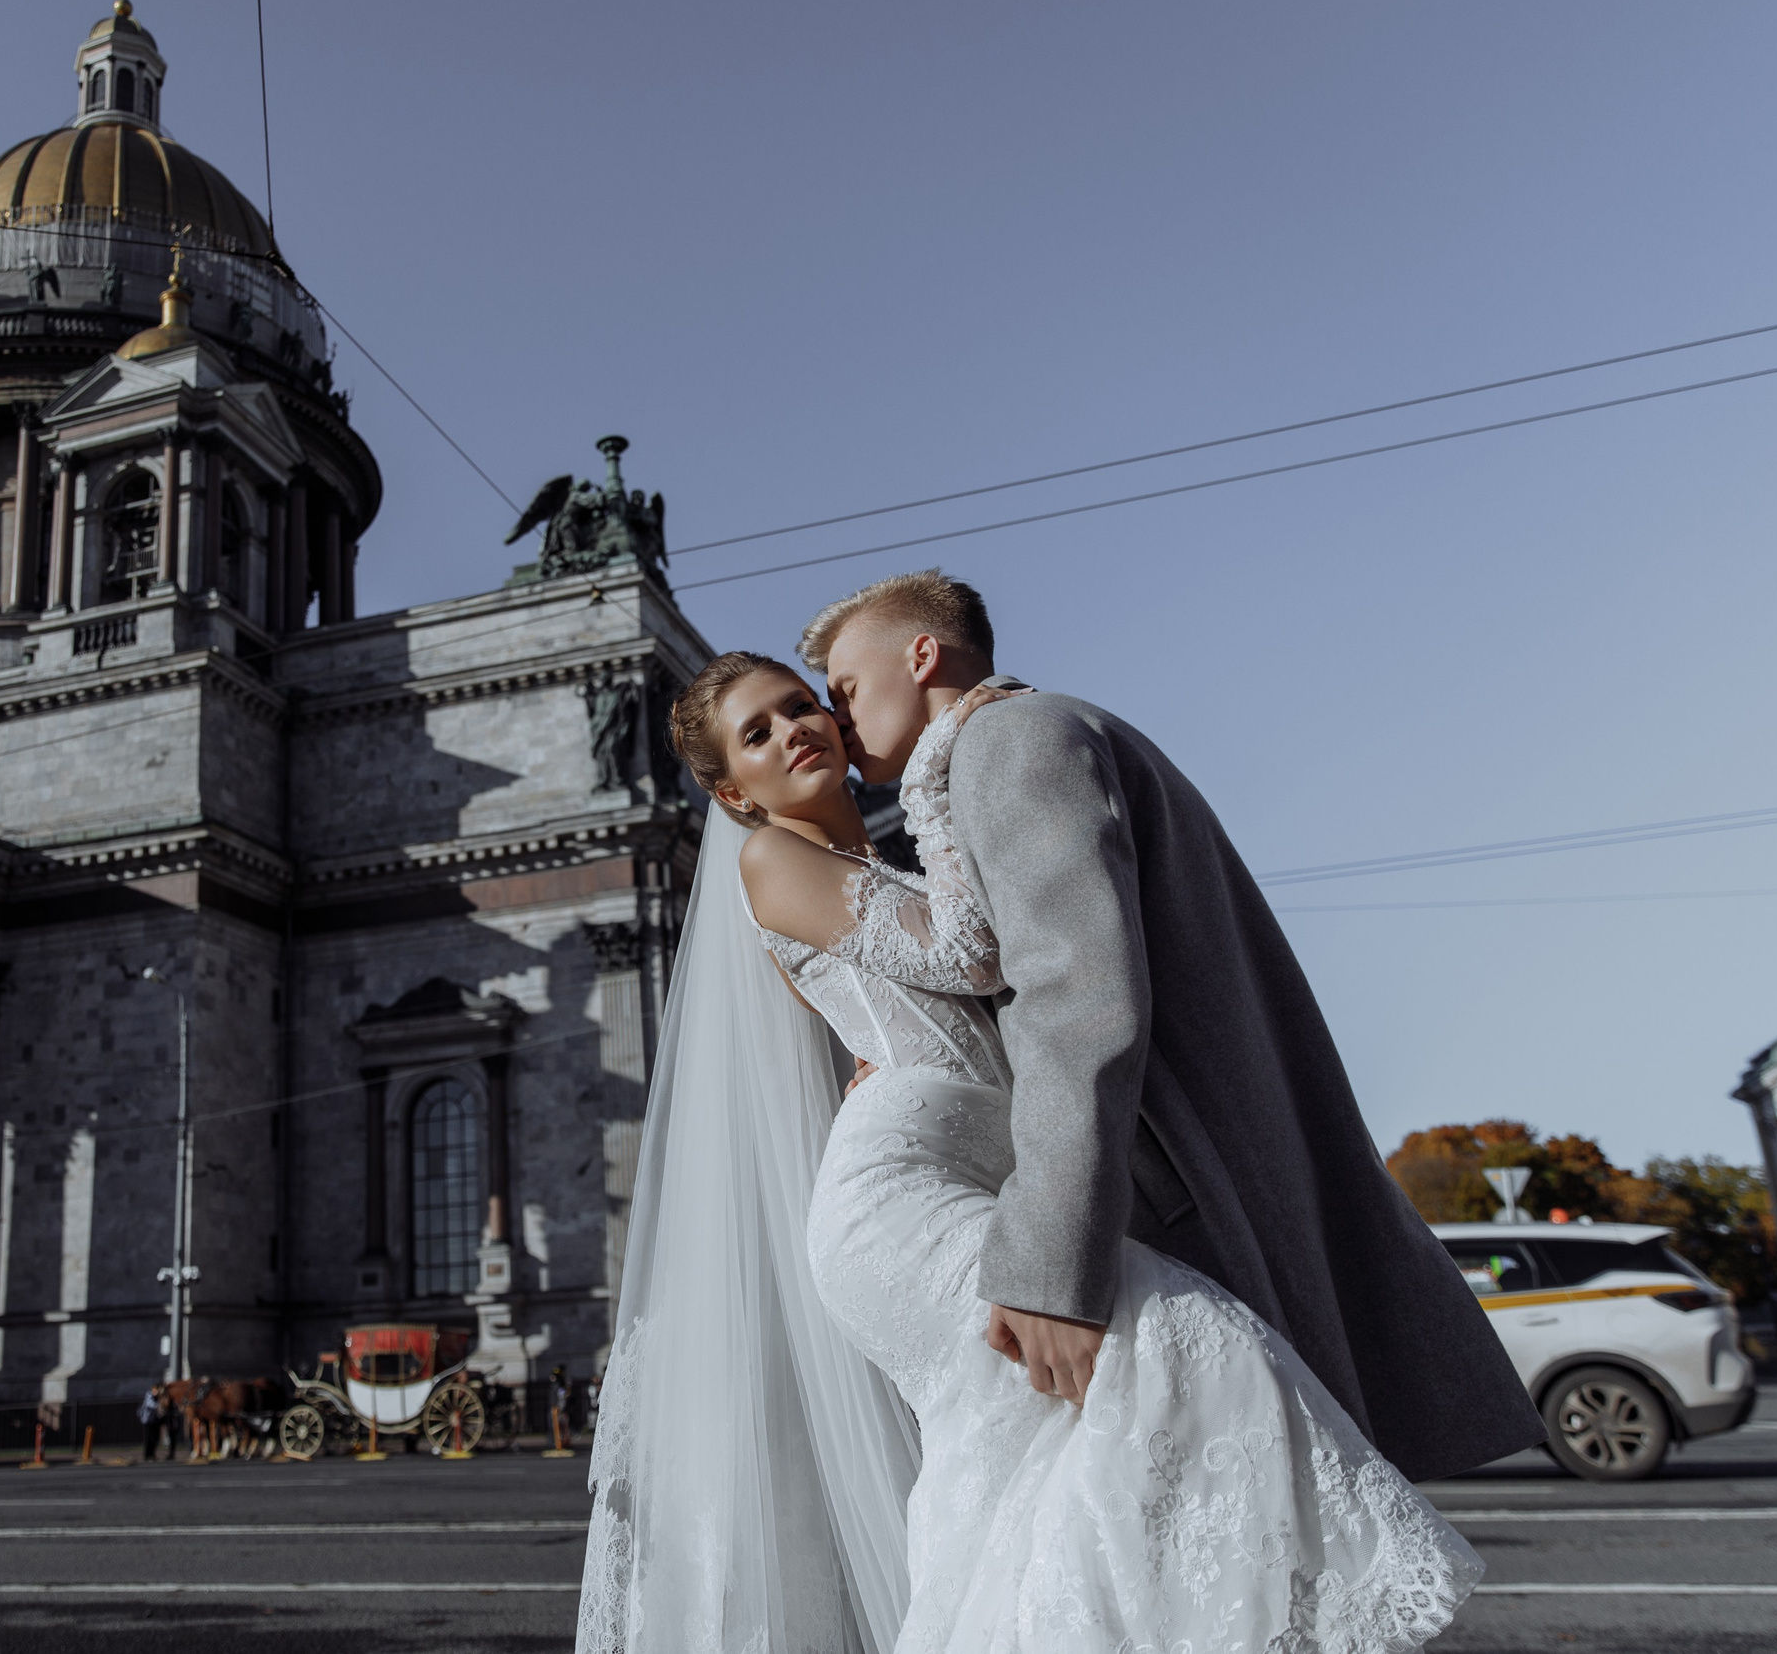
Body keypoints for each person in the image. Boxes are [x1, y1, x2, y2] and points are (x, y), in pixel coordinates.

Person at [597, 645, 1484, 1652]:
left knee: (1032, 1474)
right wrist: (941, 762)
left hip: (972, 1176)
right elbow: (969, 951)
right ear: (733, 793)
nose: (794, 729)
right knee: (1185, 1345)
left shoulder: (872, 869)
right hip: (899, 1205)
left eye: (801, 705)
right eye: (757, 733)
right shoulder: (771, 858)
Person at [138, 1383, 165, 1462]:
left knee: (155, 1438)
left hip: (155, 1420)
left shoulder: (159, 1397)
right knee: (148, 1438)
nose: (157, 1391)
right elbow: (150, 1404)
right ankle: (147, 1455)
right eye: (156, 1390)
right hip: (148, 1420)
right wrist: (159, 1405)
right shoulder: (149, 1395)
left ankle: (153, 1454)